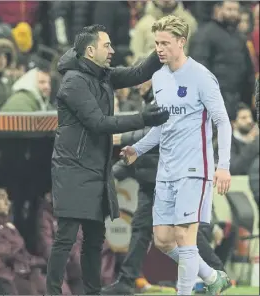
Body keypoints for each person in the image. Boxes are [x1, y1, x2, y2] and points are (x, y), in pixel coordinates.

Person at [46, 24, 170, 295]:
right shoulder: (73, 82)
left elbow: (139, 73)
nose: (113, 50)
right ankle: (53, 292)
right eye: (107, 46)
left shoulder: (103, 75)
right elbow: (99, 123)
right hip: (72, 169)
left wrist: (162, 45)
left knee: (94, 239)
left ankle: (92, 293)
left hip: (95, 169)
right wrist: (142, 119)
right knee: (65, 238)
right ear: (90, 51)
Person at [120, 15, 232, 295]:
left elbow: (223, 121)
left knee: (185, 238)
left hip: (195, 168)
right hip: (166, 169)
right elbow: (161, 128)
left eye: (165, 43)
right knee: (164, 240)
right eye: (157, 43)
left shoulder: (201, 76)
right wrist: (138, 148)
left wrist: (224, 166)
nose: (159, 48)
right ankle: (211, 277)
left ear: (181, 42)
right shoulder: (158, 78)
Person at [102, 81, 229, 295]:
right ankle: (127, 280)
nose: (138, 85)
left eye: (142, 79)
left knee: (182, 233)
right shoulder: (148, 101)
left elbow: (159, 134)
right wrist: (112, 174)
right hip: (149, 178)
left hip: (170, 178)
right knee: (144, 230)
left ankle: (216, 272)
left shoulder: (167, 98)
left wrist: (124, 137)